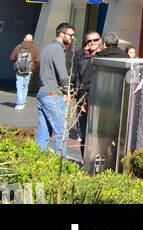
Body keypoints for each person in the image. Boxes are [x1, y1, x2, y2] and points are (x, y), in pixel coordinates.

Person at [35, 22, 75, 154]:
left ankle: (35, 161)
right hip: (53, 95)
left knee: (43, 133)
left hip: (42, 93)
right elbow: (63, 75)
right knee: (62, 133)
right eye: (70, 35)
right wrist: (67, 91)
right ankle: (59, 165)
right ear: (61, 34)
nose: (72, 38)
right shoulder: (57, 49)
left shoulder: (47, 48)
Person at [70, 31, 103, 150]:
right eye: (89, 41)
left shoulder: (105, 55)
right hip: (83, 97)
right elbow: (75, 75)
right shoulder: (80, 55)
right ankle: (85, 162)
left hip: (100, 98)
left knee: (98, 133)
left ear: (100, 40)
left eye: (95, 40)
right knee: (84, 132)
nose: (92, 43)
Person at [10, 33, 40, 110]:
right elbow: (37, 60)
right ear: (32, 40)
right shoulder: (34, 49)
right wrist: (32, 67)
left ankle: (19, 104)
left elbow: (12, 58)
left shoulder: (18, 47)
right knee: (25, 86)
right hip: (29, 71)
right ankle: (22, 103)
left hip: (19, 71)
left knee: (19, 87)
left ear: (24, 39)